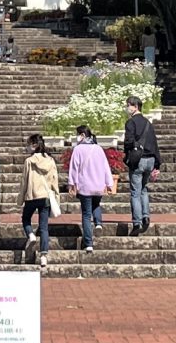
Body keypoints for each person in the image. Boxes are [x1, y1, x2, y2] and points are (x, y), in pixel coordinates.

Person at [66, 126, 113, 252]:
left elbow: (74, 168)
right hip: (98, 185)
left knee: (86, 214)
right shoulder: (98, 148)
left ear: (82, 135)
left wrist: (72, 184)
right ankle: (98, 223)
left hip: (85, 186)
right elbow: (105, 167)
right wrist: (109, 183)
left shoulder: (78, 149)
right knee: (96, 205)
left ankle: (88, 243)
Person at [19, 132, 61, 271]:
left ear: (34, 145)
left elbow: (24, 182)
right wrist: (57, 197)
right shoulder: (50, 161)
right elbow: (55, 180)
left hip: (32, 196)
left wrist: (20, 199)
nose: (27, 147)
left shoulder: (29, 161)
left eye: (28, 144)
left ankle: (31, 235)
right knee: (44, 227)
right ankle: (43, 255)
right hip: (46, 197)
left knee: (26, 219)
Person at [121, 96, 159, 236]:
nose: (127, 108)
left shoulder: (131, 123)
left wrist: (127, 154)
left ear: (135, 106)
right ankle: (146, 216)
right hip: (150, 160)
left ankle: (137, 222)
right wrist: (157, 164)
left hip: (138, 160)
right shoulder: (148, 123)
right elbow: (154, 143)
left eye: (128, 105)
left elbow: (129, 141)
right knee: (143, 189)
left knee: (135, 192)